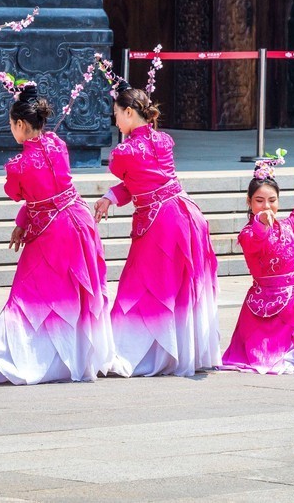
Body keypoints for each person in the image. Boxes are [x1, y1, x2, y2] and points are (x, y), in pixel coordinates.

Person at [0, 78, 114, 385]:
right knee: (74, 295)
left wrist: (23, 220)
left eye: (10, 124)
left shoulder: (19, 165)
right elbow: (46, 194)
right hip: (80, 222)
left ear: (18, 124)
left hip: (52, 231)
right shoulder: (57, 145)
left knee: (25, 295)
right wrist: (23, 221)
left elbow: (22, 194)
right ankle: (75, 358)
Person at [94, 84, 220, 377]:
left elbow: (135, 180)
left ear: (129, 112)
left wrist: (110, 196)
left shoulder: (123, 152)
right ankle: (177, 352)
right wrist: (110, 197)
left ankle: (129, 352)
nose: (115, 120)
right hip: (185, 213)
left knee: (142, 285)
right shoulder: (163, 140)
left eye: (116, 114)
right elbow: (143, 182)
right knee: (177, 286)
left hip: (161, 221)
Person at [222, 151, 294, 374]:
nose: (266, 206)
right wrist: (260, 223)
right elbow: (258, 240)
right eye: (259, 201)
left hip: (292, 299)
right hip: (264, 306)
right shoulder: (247, 234)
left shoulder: (288, 226)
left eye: (272, 200)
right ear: (249, 202)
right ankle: (288, 354)